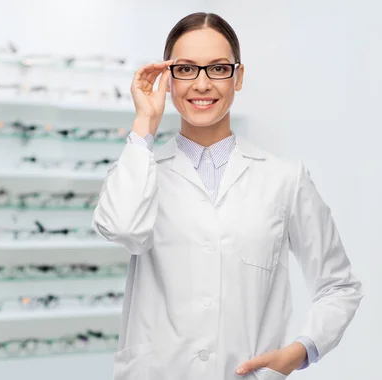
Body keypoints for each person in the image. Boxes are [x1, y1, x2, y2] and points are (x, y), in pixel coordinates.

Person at [92, 12, 364, 380]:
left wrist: (301, 351)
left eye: (218, 69)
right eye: (186, 69)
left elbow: (339, 285)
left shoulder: (284, 178)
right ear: (167, 80)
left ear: (238, 77)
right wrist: (144, 125)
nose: (202, 84)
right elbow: (123, 229)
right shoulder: (139, 169)